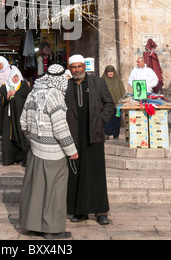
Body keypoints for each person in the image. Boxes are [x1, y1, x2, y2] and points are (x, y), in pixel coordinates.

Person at [19, 64, 78, 240]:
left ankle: (35, 226)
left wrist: (34, 139)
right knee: (55, 191)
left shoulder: (34, 92)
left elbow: (23, 122)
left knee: (36, 190)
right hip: (54, 153)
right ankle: (52, 230)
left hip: (36, 151)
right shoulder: (56, 96)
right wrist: (71, 150)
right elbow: (60, 128)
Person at [65, 55, 114, 225]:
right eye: (74, 67)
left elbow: (109, 104)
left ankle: (101, 212)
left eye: (79, 67)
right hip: (74, 136)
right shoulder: (66, 86)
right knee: (76, 174)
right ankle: (80, 211)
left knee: (96, 173)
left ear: (84, 67)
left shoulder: (97, 83)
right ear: (70, 69)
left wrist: (101, 120)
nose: (77, 70)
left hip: (94, 135)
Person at [0, 66, 31, 166]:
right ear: (10, 77)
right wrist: (7, 96)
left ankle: (23, 159)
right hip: (8, 117)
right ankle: (9, 159)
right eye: (13, 77)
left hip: (20, 117)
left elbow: (27, 98)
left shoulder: (23, 86)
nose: (15, 79)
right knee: (8, 138)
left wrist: (16, 96)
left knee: (22, 136)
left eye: (17, 77)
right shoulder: (5, 86)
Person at [101, 65, 126, 140]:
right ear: (106, 72)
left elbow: (122, 91)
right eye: (108, 71)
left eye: (111, 71)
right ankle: (106, 134)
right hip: (106, 104)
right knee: (107, 119)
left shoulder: (118, 80)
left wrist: (121, 101)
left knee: (116, 119)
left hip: (116, 104)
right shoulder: (102, 80)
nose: (110, 73)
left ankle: (116, 134)